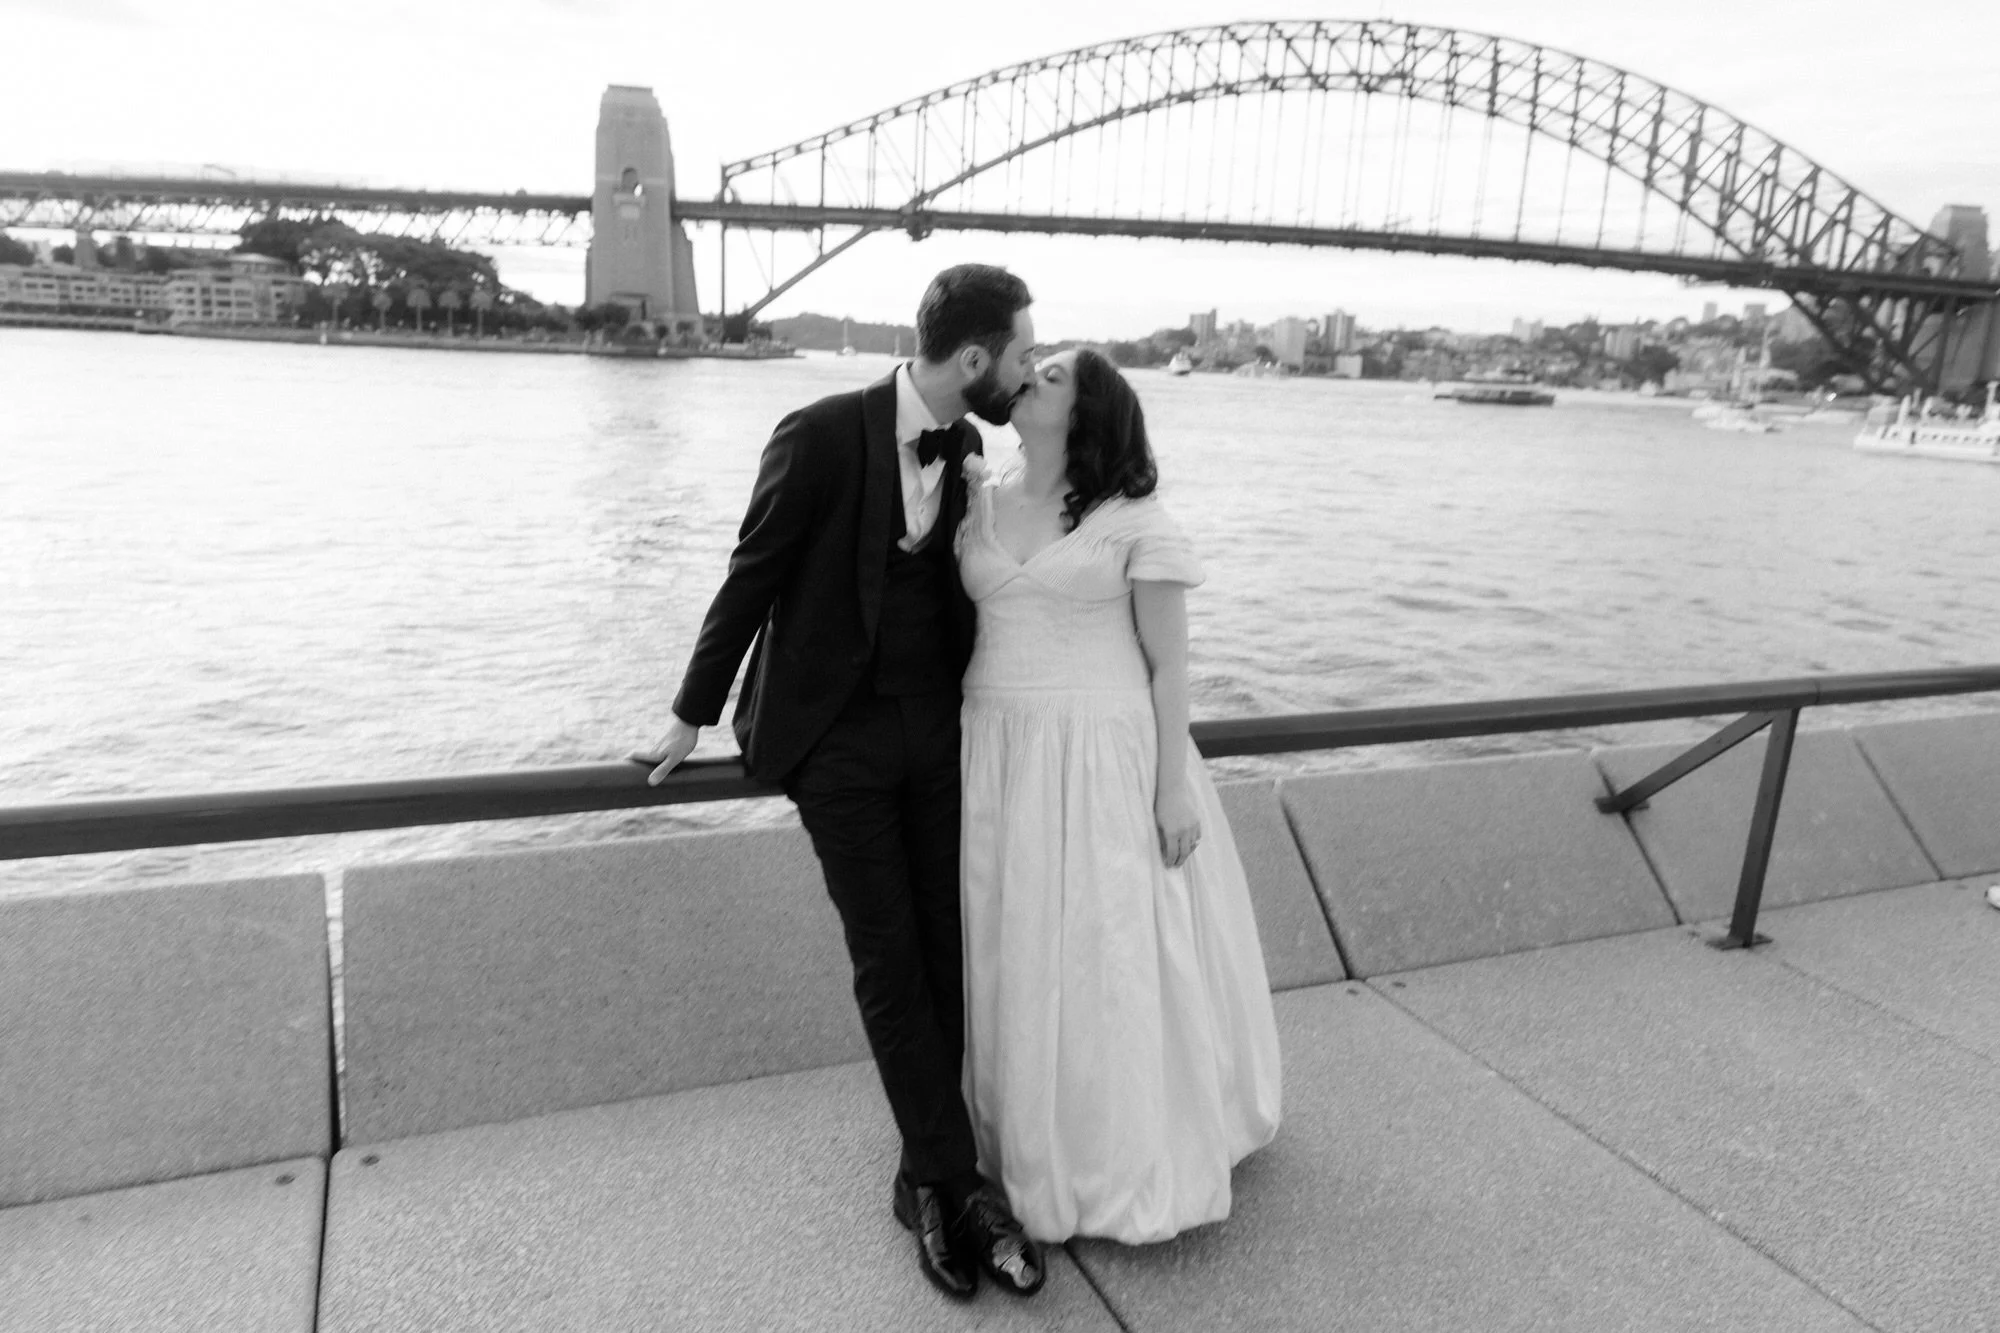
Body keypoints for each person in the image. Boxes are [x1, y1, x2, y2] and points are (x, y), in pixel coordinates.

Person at [633, 264, 1047, 1302]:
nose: (1024, 371)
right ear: (970, 359)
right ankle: (960, 1189)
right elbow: (752, 572)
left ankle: (924, 1181)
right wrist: (691, 710)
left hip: (934, 730)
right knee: (887, 958)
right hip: (836, 743)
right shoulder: (817, 433)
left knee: (946, 952)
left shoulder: (968, 447)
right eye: (1019, 354)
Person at [954, 347, 1283, 1245]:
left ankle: (1115, 1157)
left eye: (1053, 373)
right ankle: (1018, 1138)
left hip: (1104, 756)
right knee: (1015, 942)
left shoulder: (1135, 518)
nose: (1031, 375)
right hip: (997, 753)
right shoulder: (976, 496)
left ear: (1088, 412)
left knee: (1106, 953)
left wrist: (1170, 789)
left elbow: (1172, 664)